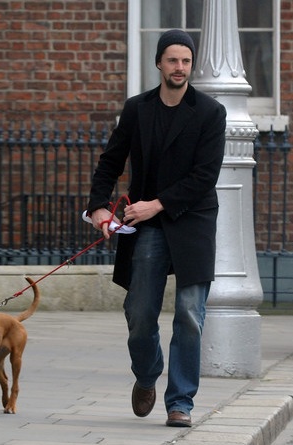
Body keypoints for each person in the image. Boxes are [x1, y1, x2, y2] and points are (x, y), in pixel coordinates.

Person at [87, 29, 226, 427]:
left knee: (189, 313)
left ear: (191, 64)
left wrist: (158, 204)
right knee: (140, 312)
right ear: (159, 63)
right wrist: (98, 208)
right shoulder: (137, 109)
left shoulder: (210, 112)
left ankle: (180, 402)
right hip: (145, 223)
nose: (179, 67)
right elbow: (110, 161)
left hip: (193, 220)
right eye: (172, 60)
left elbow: (205, 176)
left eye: (185, 61)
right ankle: (147, 375)